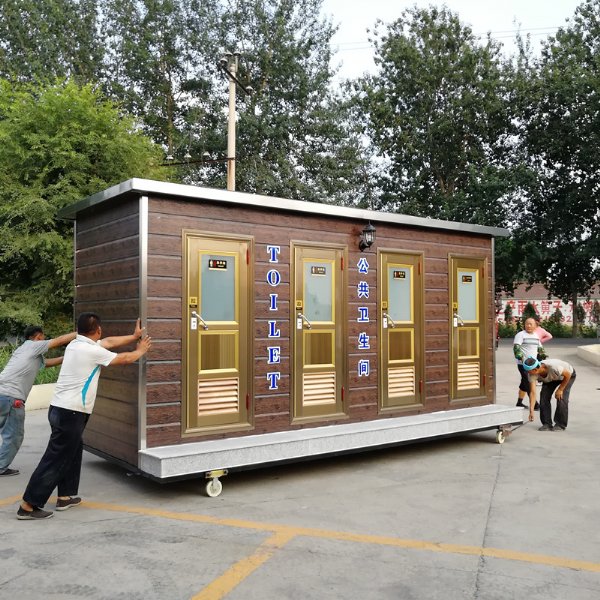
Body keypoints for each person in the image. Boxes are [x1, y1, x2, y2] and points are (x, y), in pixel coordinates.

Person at [17, 313, 151, 520]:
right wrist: (140, 350)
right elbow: (124, 358)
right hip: (71, 412)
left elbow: (108, 342)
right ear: (98, 330)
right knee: (56, 458)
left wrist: (133, 337)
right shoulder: (90, 350)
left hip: (60, 409)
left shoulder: (76, 345)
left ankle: (65, 497)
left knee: (72, 451)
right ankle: (28, 505)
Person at [0, 325, 76, 476]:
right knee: (14, 435)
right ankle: (1, 467)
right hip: (12, 398)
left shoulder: (24, 350)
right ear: (39, 336)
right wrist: (82, 332)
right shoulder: (34, 346)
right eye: (44, 336)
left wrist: (65, 358)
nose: (45, 339)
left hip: (3, 394)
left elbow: (46, 363)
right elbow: (60, 340)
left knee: (8, 432)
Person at [523, 356, 575, 431]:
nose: (527, 373)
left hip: (567, 376)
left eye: (528, 371)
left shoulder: (554, 367)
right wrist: (531, 411)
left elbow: (568, 374)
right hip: (551, 378)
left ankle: (560, 424)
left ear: (535, 370)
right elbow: (533, 393)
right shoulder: (532, 374)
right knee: (544, 397)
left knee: (561, 397)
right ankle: (547, 423)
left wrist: (560, 389)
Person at [513, 317, 547, 410]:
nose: (528, 326)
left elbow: (540, 347)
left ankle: (519, 402)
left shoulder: (535, 336)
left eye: (530, 324)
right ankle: (535, 404)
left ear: (535, 326)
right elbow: (516, 347)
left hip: (533, 364)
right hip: (523, 364)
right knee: (529, 383)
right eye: (526, 324)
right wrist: (519, 355)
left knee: (524, 383)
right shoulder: (520, 335)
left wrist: (542, 354)